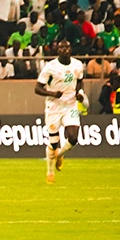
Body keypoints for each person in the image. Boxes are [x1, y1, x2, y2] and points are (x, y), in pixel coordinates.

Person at [34, 40, 86, 184]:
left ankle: (60, 154)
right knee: (53, 143)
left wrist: (80, 92)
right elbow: (37, 88)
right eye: (61, 47)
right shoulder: (50, 67)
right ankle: (50, 173)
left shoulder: (78, 65)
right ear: (57, 50)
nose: (64, 49)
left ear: (70, 49)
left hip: (70, 106)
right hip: (54, 108)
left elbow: (80, 80)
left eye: (67, 47)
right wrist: (51, 93)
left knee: (74, 138)